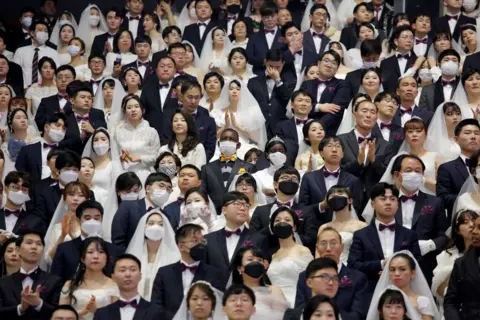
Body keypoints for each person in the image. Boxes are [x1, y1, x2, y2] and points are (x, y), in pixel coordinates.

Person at [347, 182, 421, 297]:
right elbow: (353, 265)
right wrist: (381, 264)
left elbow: (416, 264)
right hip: (370, 292)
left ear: (397, 203)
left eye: (392, 199)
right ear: (372, 204)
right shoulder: (360, 235)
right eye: (383, 199)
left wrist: (396, 272)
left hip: (404, 292)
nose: (388, 202)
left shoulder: (410, 235)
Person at [151, 224, 226, 319]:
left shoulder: (214, 274)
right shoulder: (164, 273)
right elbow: (156, 305)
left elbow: (218, 306)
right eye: (194, 241)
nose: (200, 244)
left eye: (202, 241)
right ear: (181, 247)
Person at [296, 228, 370, 318]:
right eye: (323, 243)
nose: (328, 248)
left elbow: (358, 315)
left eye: (333, 243)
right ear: (317, 248)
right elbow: (299, 310)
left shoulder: (358, 278)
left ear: (342, 247)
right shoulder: (305, 276)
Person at [51, 200, 120, 283]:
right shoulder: (64, 249)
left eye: (96, 218)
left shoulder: (112, 249)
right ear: (78, 220)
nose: (92, 222)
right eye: (87, 218)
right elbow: (55, 280)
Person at [0, 230, 63, 320]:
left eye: (38, 244)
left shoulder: (54, 281)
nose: (34, 247)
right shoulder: (3, 283)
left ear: (43, 250)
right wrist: (20, 308)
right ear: (18, 250)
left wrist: (39, 304)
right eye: (29, 242)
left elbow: (60, 313)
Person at [299, 136, 364, 218]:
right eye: (329, 146)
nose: (334, 150)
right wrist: (322, 206)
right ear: (321, 153)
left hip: (344, 227)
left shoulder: (353, 180)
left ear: (343, 154)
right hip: (315, 227)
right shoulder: (309, 178)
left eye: (338, 146)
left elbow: (357, 209)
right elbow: (300, 211)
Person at [59, 237, 119, 320]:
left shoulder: (114, 285)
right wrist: (84, 312)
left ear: (107, 257)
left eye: (101, 252)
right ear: (82, 258)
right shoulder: (69, 285)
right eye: (90, 252)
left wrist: (97, 311)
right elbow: (61, 316)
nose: (95, 256)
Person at [432, 209, 478, 316]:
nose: (471, 225)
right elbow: (438, 291)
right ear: (457, 230)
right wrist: (456, 272)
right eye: (465, 222)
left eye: (474, 221)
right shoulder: (446, 255)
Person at [368, 251, 440, 319]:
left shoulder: (422, 301)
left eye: (402, 269)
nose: (396, 274)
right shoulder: (381, 296)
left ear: (412, 273)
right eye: (392, 270)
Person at [126, 210, 180, 300]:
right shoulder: (132, 255)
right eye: (151, 223)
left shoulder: (175, 256)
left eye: (160, 224)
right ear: (143, 226)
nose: (156, 227)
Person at [250, 167, 312, 244]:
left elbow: (311, 239)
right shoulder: (261, 211)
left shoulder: (307, 211)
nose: (290, 180)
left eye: (294, 178)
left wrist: (289, 234)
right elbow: (252, 239)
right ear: (275, 184)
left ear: (298, 186)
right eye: (285, 177)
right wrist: (270, 228)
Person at [112, 172, 173, 251]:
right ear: (148, 188)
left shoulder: (167, 216)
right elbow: (118, 240)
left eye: (168, 188)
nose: (165, 190)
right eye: (161, 186)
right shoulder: (128, 206)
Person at [267, 206, 313, 307]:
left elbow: (311, 281)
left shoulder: (303, 251)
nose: (282, 222)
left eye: (287, 220)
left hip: (296, 303)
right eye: (277, 220)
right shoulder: (273, 255)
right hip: (275, 306)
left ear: (294, 227)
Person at [201, 128, 254, 212]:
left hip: (239, 211)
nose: (227, 141)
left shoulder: (249, 167)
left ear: (238, 145)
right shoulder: (207, 168)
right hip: (213, 212)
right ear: (218, 144)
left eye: (232, 139)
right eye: (224, 139)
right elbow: (202, 192)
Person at [212, 79, 267, 158]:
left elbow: (255, 137)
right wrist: (226, 126)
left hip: (243, 145)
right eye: (231, 89)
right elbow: (214, 138)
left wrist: (236, 126)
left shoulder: (251, 113)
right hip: (222, 144)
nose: (234, 91)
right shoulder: (218, 112)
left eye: (238, 89)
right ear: (226, 92)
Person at [114, 94, 161, 189]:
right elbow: (113, 156)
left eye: (136, 106)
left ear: (142, 110)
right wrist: (120, 158)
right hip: (123, 174)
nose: (133, 110)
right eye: (129, 107)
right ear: (124, 111)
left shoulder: (151, 132)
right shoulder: (118, 132)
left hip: (145, 174)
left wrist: (139, 158)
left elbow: (157, 158)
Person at [300, 50, 350, 136]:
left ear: (337, 68)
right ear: (318, 63)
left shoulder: (342, 84)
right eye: (326, 61)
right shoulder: (307, 84)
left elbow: (336, 110)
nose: (329, 65)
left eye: (334, 63)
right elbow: (301, 106)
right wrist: (319, 107)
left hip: (328, 132)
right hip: (303, 128)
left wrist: (317, 128)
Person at [231, 245, 288, 319]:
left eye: (259, 260)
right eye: (250, 259)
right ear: (239, 268)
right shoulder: (231, 294)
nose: (256, 263)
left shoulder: (274, 291)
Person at [437, 119, 480, 217]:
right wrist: (469, 199)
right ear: (456, 139)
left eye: (477, 133)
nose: (473, 137)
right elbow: (443, 198)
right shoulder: (446, 168)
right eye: (467, 133)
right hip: (460, 222)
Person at [248, 48, 293, 139]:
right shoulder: (253, 81)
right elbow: (249, 104)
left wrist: (278, 81)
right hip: (258, 127)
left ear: (283, 64)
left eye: (278, 67)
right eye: (271, 66)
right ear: (265, 62)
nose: (274, 70)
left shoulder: (289, 82)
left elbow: (287, 101)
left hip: (279, 128)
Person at [43, 180, 88, 269]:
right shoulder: (57, 227)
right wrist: (62, 236)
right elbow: (48, 260)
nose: (75, 198)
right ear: (64, 198)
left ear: (87, 199)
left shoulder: (90, 226)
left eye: (81, 195)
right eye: (71, 194)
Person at [205, 191, 253, 272]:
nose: (242, 208)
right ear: (224, 210)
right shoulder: (208, 240)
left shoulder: (257, 237)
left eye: (246, 205)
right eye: (237, 204)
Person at [140, 56, 179, 143]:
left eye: (169, 66)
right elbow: (141, 111)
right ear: (156, 70)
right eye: (162, 66)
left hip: (175, 136)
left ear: (175, 70)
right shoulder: (147, 88)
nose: (165, 69)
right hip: (150, 136)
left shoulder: (180, 88)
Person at [13, 20, 59, 89]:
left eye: (45, 31)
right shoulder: (20, 51)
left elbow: (56, 73)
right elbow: (15, 72)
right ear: (32, 33)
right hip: (24, 89)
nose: (43, 33)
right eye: (40, 30)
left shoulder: (53, 52)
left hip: (46, 90)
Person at [0, 171, 46, 236]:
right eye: (16, 187)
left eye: (24, 189)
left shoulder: (35, 220)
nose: (20, 192)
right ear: (5, 189)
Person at [380, 26, 418, 92]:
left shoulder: (417, 61)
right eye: (405, 37)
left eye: (411, 38)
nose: (409, 40)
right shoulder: (385, 63)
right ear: (396, 41)